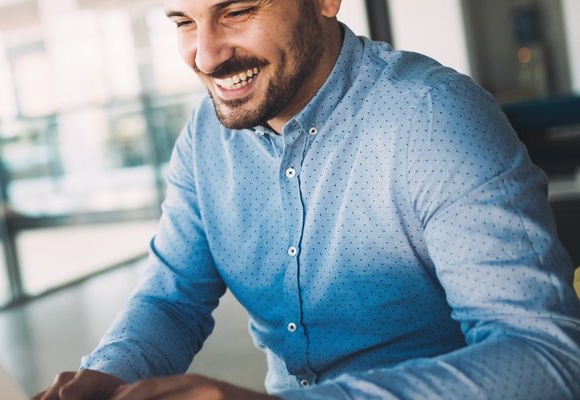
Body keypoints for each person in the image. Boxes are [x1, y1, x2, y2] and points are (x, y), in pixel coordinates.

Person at [34, 0, 580, 399]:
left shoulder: (434, 118)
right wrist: (107, 377)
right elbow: (171, 300)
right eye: (184, 22)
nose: (206, 55)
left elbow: (547, 358)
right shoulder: (206, 136)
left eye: (238, 12)